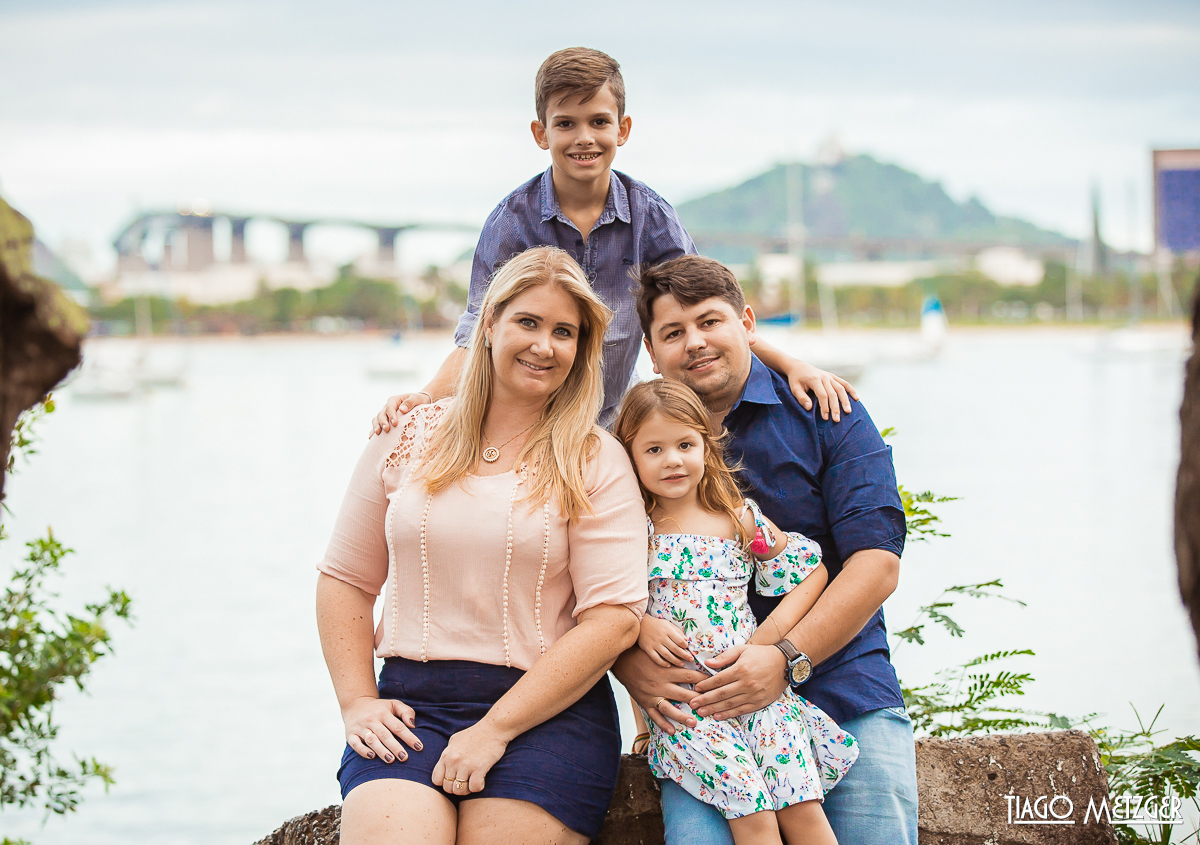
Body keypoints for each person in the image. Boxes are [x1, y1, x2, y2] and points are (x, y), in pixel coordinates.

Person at [316, 247, 649, 845]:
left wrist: (496, 729)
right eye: (528, 322)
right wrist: (357, 703)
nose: (544, 345)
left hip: (547, 713)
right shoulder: (408, 434)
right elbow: (345, 578)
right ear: (489, 324)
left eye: (564, 332)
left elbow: (614, 620)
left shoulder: (595, 458)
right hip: (411, 710)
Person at [371, 46, 855, 437]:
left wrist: (793, 365)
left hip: (612, 429)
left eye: (599, 121)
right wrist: (426, 397)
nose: (585, 137)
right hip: (522, 428)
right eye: (566, 123)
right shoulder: (510, 222)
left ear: (622, 129)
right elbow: (476, 332)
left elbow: (705, 315)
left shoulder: (652, 218)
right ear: (541, 133)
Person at [613, 255, 918, 845]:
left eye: (710, 322)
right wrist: (634, 670)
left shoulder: (827, 413)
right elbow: (595, 583)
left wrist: (782, 659)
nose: (696, 343)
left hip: (839, 682)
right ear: (652, 352)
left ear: (746, 322)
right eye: (673, 333)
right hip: (705, 708)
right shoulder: (635, 447)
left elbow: (876, 565)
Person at [612, 379, 857, 845]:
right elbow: (607, 610)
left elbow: (812, 572)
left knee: (803, 809)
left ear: (706, 444)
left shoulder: (737, 516)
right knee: (754, 815)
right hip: (690, 706)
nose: (673, 460)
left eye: (685, 444)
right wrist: (640, 626)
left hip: (756, 691)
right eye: (654, 449)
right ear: (630, 456)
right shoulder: (631, 531)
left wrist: (770, 640)